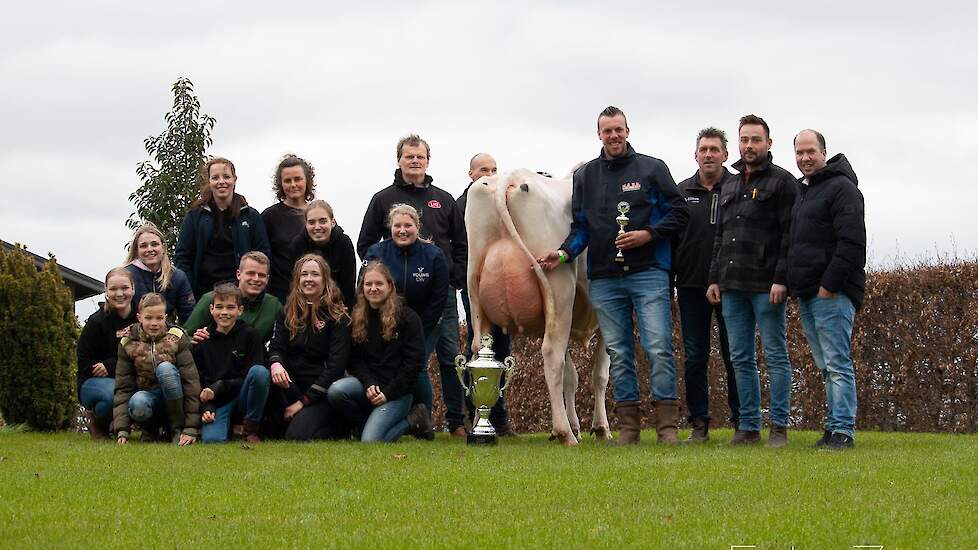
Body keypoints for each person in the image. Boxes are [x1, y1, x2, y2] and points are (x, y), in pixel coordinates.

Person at [538, 106, 688, 445]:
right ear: (599, 135)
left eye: (618, 129)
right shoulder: (585, 176)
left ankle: (666, 427)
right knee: (619, 352)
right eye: (607, 131)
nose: (613, 136)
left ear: (627, 130)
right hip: (604, 277)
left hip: (649, 272)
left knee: (659, 346)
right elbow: (582, 229)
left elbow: (679, 212)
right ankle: (629, 428)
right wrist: (563, 253)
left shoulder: (652, 168)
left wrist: (648, 234)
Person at [356, 134, 468, 437]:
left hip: (438, 299)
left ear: (428, 160)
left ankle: (457, 421)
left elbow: (461, 243)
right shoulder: (382, 199)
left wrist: (454, 277)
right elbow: (365, 244)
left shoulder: (443, 199)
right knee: (413, 363)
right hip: (395, 306)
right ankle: (420, 420)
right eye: (409, 156)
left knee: (449, 360)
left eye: (420, 157)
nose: (415, 161)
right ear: (399, 160)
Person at [707, 114, 798, 447]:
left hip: (767, 287)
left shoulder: (783, 183)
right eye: (744, 140)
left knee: (775, 355)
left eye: (755, 140)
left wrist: (781, 279)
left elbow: (790, 235)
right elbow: (720, 236)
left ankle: (778, 427)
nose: (749, 146)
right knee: (740, 358)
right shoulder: (729, 185)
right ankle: (747, 427)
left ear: (769, 144)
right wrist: (714, 278)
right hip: (732, 286)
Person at [788, 129, 866, 450]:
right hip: (808, 293)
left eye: (811, 151)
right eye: (800, 153)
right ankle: (833, 427)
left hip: (831, 293)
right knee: (825, 365)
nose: (805, 158)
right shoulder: (803, 192)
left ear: (824, 152)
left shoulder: (843, 189)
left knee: (837, 363)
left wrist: (829, 285)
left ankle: (843, 431)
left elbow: (852, 243)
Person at [673, 128, 740, 442]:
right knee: (696, 357)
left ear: (725, 155)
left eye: (715, 149)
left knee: (735, 356)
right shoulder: (680, 192)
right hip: (690, 286)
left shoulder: (739, 187)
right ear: (695, 155)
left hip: (732, 287)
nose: (709, 154)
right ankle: (699, 424)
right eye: (704, 149)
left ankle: (743, 422)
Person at [363, 204, 448, 436]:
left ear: (417, 227)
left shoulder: (434, 255)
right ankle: (399, 413)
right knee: (392, 368)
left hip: (425, 323)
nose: (402, 230)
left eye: (408, 225)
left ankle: (424, 422)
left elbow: (439, 297)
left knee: (417, 366)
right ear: (390, 227)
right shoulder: (377, 252)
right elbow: (366, 288)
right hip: (384, 325)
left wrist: (417, 328)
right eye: (397, 226)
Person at [327, 261, 431, 442]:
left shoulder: (408, 318)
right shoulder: (356, 317)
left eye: (379, 284)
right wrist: (369, 383)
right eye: (368, 284)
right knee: (336, 391)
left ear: (390, 286)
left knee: (371, 441)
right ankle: (362, 425)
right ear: (362, 288)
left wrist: (388, 393)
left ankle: (413, 420)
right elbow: (353, 360)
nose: (373, 288)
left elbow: (414, 364)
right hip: (369, 387)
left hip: (398, 392)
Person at [456, 153, 515, 435]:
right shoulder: (460, 206)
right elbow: (455, 247)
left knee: (503, 348)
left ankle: (499, 418)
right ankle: (475, 414)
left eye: (494, 169)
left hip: (502, 285)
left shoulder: (506, 203)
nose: (489, 174)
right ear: (470, 174)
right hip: (474, 287)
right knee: (479, 347)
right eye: (483, 170)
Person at [265, 254, 351, 441]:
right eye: (304, 274)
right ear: (297, 279)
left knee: (296, 436)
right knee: (271, 433)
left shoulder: (338, 317)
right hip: (291, 385)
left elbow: (336, 367)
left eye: (315, 274)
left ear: (325, 279)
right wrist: (276, 364)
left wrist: (302, 403)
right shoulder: (287, 312)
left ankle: (340, 426)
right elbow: (276, 347)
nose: (309, 279)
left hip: (320, 392)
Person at [175, 157, 271, 300]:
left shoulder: (251, 216)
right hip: (203, 294)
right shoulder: (195, 216)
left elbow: (264, 255)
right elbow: (183, 257)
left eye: (226, 176)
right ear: (209, 181)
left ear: (234, 179)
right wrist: (187, 293)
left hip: (242, 295)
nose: (221, 181)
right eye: (215, 177)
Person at [113, 293, 201, 446]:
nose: (154, 323)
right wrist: (122, 429)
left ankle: (176, 429)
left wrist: (191, 427)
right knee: (138, 402)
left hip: (175, 396)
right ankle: (150, 429)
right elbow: (123, 386)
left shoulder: (177, 337)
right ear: (139, 317)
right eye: (148, 318)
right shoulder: (127, 342)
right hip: (148, 396)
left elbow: (190, 381)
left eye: (159, 318)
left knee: (166, 369)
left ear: (166, 317)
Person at [193, 283, 270, 444]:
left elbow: (251, 377)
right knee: (212, 440)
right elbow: (199, 381)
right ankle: (228, 425)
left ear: (240, 310)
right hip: (218, 401)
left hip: (243, 397)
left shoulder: (251, 335)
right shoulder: (203, 340)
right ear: (211, 309)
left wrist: (221, 385)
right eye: (219, 307)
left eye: (230, 307)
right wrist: (207, 407)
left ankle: (250, 428)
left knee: (260, 372)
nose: (224, 313)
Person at [76, 267, 137, 440]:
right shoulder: (96, 321)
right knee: (114, 394)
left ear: (133, 288)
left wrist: (109, 365)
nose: (119, 294)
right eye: (113, 289)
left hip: (129, 377)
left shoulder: (141, 318)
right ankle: (98, 421)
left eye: (124, 288)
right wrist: (103, 368)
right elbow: (83, 361)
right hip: (93, 381)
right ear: (106, 291)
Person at [183, 251, 282, 344]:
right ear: (238, 274)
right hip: (213, 358)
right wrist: (195, 340)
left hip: (254, 359)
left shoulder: (273, 305)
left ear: (267, 279)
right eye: (250, 273)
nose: (256, 279)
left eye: (261, 275)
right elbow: (185, 336)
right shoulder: (212, 299)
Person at [261, 154, 316, 304]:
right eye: (287, 180)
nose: (293, 185)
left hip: (315, 293)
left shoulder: (318, 214)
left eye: (297, 179)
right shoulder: (269, 216)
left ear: (307, 180)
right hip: (280, 295)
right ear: (280, 184)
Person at [288, 200, 357, 309]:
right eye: (311, 222)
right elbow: (294, 283)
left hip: (337, 305)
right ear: (305, 224)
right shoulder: (297, 245)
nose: (317, 227)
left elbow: (348, 284)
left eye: (323, 221)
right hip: (305, 305)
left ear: (332, 222)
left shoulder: (344, 243)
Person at [124, 223, 195, 324]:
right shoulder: (126, 275)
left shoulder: (177, 277)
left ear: (163, 247)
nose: (149, 249)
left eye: (154, 244)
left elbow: (188, 315)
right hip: (132, 334)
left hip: (165, 334)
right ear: (136, 250)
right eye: (143, 246)